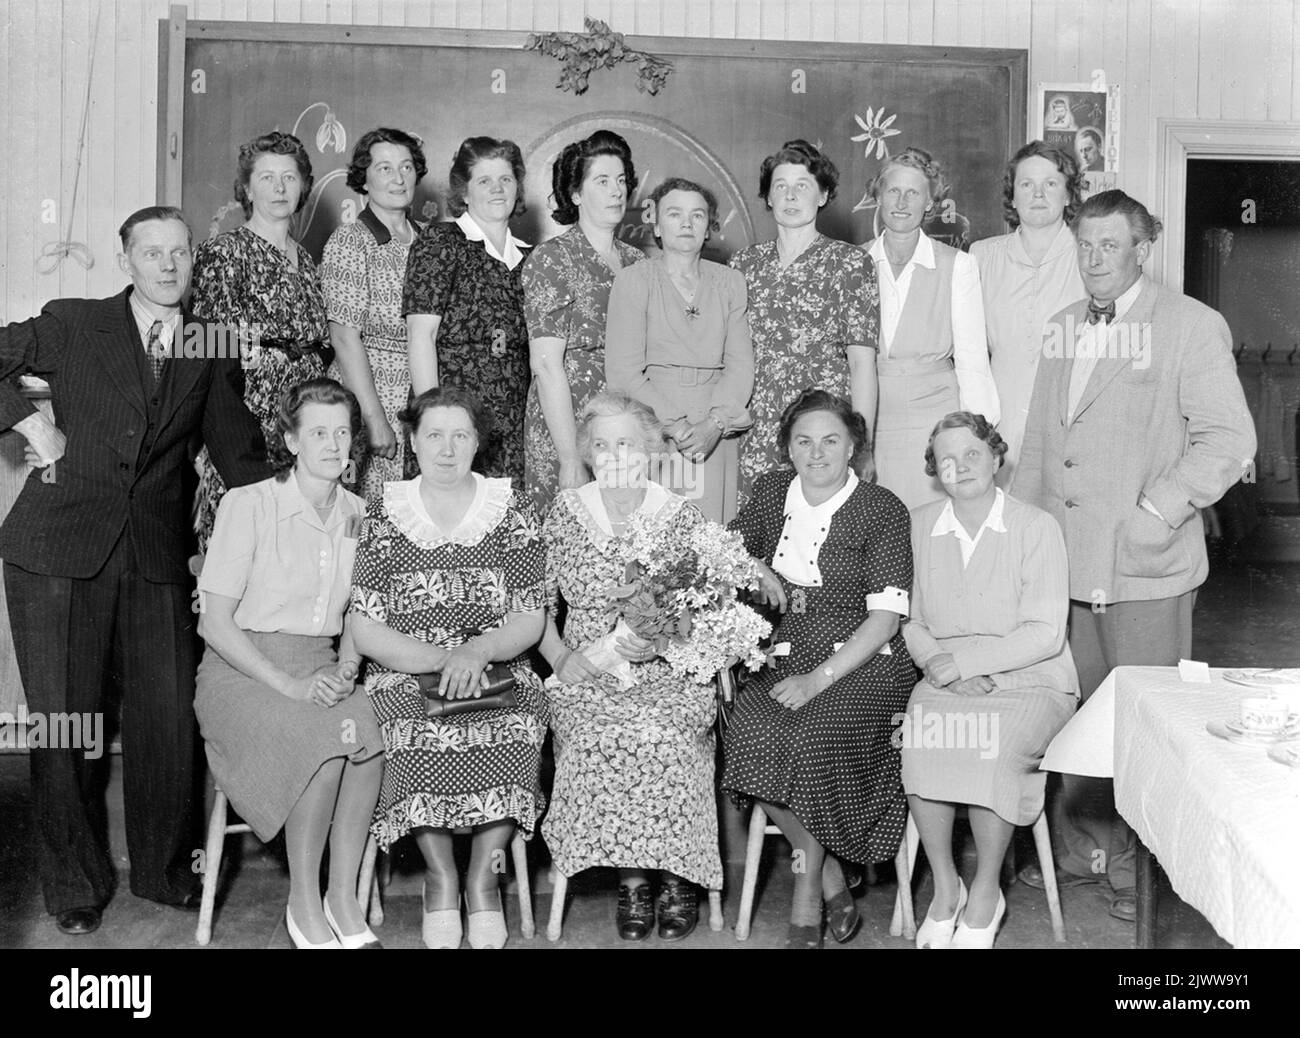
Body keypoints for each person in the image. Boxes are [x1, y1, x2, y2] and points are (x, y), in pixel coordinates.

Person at [0, 205, 268, 936]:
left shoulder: (208, 342)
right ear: (126, 260)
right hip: (56, 551)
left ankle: (162, 869)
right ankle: (74, 885)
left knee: (164, 718)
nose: (168, 265)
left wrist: (315, 486)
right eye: (152, 253)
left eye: (180, 252)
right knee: (64, 724)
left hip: (152, 552)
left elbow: (238, 455)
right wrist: (29, 421)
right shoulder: (73, 320)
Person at [1015, 190, 1256, 922]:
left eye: (1109, 246)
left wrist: (1158, 511)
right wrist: (1019, 545)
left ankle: (1141, 877)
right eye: (1083, 246)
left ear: (1142, 250)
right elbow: (1037, 449)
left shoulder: (1189, 325)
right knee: (1073, 718)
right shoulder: (1061, 327)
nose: (1093, 260)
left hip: (1145, 567)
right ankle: (1082, 854)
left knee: (1143, 730)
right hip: (1066, 564)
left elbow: (1229, 440)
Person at [350, 386, 548, 950]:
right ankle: (441, 878)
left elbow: (530, 617)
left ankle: (484, 880)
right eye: (433, 434)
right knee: (410, 730)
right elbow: (365, 628)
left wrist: (477, 651)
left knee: (519, 725)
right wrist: (444, 659)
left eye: (460, 434)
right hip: (407, 668)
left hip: (496, 664)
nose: (446, 447)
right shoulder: (385, 512)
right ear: (412, 441)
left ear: (477, 442)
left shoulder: (511, 508)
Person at [722, 389, 915, 948]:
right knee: (750, 733)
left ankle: (807, 897)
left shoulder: (882, 509)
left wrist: (818, 679)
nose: (817, 452)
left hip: (861, 660)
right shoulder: (770, 493)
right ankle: (830, 875)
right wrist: (752, 562)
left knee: (807, 738)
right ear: (787, 448)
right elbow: (722, 549)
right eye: (803, 441)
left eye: (831, 440)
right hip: (782, 651)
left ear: (853, 444)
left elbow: (884, 621)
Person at [194, 377, 383, 949]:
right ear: (291, 439)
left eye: (342, 433)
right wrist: (291, 685)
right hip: (241, 671)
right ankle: (304, 902)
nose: (332, 444)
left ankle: (342, 899)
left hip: (320, 664)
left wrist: (347, 665)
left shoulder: (357, 514)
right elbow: (215, 623)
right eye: (318, 432)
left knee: (368, 737)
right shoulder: (248, 504)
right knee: (323, 741)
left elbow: (357, 612)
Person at [539, 392, 723, 942]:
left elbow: (707, 610)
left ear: (650, 450)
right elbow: (537, 609)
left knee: (664, 734)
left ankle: (678, 878)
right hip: (587, 671)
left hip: (670, 671)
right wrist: (560, 657)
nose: (614, 454)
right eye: (601, 444)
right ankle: (633, 882)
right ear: (587, 453)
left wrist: (665, 640)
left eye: (626, 443)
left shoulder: (679, 515)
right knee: (600, 734)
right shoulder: (564, 514)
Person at [900, 411, 1078, 949]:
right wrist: (937, 665)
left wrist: (970, 666)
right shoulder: (918, 524)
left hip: (1034, 678)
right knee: (922, 736)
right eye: (946, 459)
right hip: (946, 675)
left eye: (972, 454)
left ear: (996, 457)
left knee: (989, 747)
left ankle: (985, 893)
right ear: (934, 471)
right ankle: (946, 888)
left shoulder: (1035, 526)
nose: (960, 467)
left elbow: (1046, 633)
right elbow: (910, 619)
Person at [191, 130, 332, 550]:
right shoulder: (223, 251)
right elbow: (203, 349)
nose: (279, 187)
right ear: (247, 189)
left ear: (304, 185)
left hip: (301, 423)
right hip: (244, 418)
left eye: (289, 177)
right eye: (267, 177)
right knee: (242, 543)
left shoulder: (307, 259)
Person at [729, 140, 878, 506]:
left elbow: (862, 364)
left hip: (823, 425)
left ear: (823, 195)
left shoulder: (850, 263)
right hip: (758, 423)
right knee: (757, 532)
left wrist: (861, 444)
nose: (791, 196)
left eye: (803, 186)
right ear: (767, 198)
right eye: (780, 186)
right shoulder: (743, 265)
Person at [605, 177, 754, 523]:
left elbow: (740, 365)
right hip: (653, 428)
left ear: (708, 228)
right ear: (656, 224)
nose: (686, 223)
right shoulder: (634, 280)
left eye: (697, 215)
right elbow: (623, 373)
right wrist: (679, 428)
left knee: (711, 539)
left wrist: (714, 424)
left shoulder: (731, 282)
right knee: (654, 540)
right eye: (674, 214)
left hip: (716, 428)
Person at [863, 146, 1000, 511]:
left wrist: (974, 437)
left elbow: (972, 359)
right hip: (871, 414)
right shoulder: (854, 262)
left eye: (914, 193)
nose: (902, 201)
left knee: (929, 526)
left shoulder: (957, 265)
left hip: (933, 416)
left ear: (929, 203)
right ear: (878, 195)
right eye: (893, 190)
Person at [522, 130, 644, 514]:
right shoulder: (554, 258)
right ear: (575, 193)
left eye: (621, 181)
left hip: (625, 421)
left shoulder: (638, 261)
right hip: (570, 418)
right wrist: (570, 456)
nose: (616, 191)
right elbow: (545, 364)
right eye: (602, 181)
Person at [404, 136, 531, 483]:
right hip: (454, 418)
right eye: (484, 181)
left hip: (513, 421)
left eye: (506, 179)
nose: (497, 189)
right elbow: (421, 335)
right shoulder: (440, 242)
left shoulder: (533, 258)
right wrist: (434, 420)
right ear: (464, 192)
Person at [321, 127, 427, 505]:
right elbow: (344, 338)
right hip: (372, 395)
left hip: (420, 396)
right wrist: (375, 419)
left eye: (407, 167)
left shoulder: (430, 240)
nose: (398, 178)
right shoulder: (351, 240)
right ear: (363, 179)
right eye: (384, 168)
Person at [970, 141, 1086, 483]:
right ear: (1013, 196)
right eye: (1026, 184)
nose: (1038, 194)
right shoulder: (982, 256)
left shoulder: (1088, 255)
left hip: (1070, 417)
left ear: (1068, 195)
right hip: (998, 417)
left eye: (1050, 184)